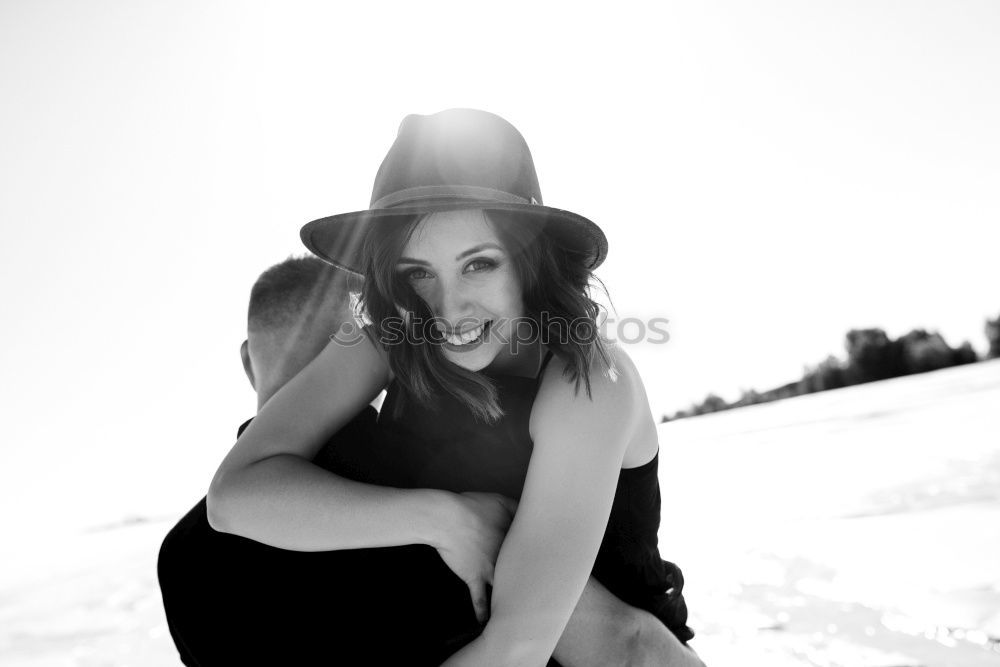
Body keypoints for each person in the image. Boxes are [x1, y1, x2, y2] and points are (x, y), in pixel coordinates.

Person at [208, 109, 702, 666]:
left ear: (532, 261)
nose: (448, 310)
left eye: (479, 264)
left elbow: (516, 648)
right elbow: (234, 498)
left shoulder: (585, 379)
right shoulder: (389, 337)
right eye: (416, 273)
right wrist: (443, 518)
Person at [159, 253, 694, 666]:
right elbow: (623, 645)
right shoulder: (437, 485)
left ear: (248, 362)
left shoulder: (181, 560)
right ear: (352, 355)